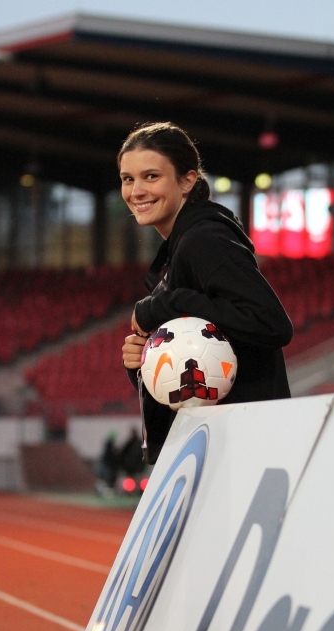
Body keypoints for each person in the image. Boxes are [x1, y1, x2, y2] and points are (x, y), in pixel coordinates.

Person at [120, 122, 293, 464]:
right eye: (128, 179)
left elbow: (271, 323)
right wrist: (143, 360)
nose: (136, 191)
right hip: (221, 444)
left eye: (151, 176)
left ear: (187, 180)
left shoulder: (204, 240)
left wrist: (166, 305)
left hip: (245, 446)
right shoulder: (181, 248)